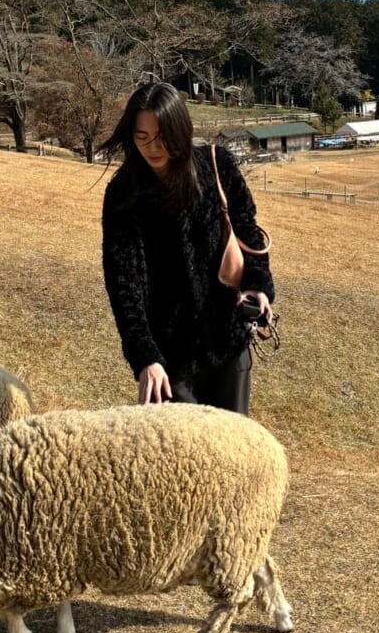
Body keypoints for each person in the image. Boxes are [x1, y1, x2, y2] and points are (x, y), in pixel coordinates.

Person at [99, 82, 274, 415]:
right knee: (180, 457)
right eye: (142, 136)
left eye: (162, 135)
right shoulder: (123, 194)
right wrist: (145, 357)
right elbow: (124, 284)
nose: (153, 147)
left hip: (228, 337)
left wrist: (257, 286)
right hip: (169, 357)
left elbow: (247, 231)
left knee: (232, 449)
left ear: (180, 129)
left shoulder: (216, 165)